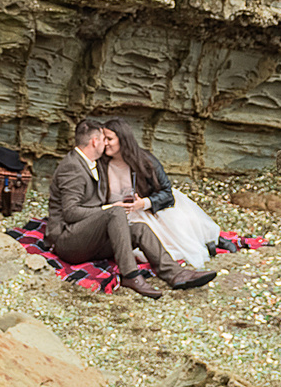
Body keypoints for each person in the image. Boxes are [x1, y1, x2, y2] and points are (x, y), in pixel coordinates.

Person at [44, 116, 216, 298]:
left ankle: (175, 274)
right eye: (104, 139)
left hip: (87, 238)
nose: (106, 144)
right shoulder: (72, 167)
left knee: (140, 229)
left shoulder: (94, 163)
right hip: (68, 242)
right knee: (115, 211)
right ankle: (131, 275)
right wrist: (109, 209)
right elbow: (71, 213)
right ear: (95, 142)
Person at [105, 118, 223, 267]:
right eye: (104, 139)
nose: (105, 143)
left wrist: (143, 203)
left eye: (109, 139)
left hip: (150, 208)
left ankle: (211, 242)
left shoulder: (145, 160)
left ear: (122, 139)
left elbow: (167, 193)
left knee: (167, 241)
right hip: (120, 212)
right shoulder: (102, 163)